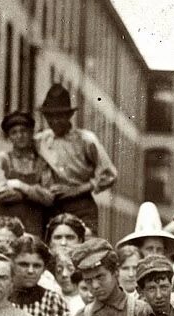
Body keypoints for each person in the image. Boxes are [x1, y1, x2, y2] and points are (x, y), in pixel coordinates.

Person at [33, 84, 118, 233]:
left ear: (68, 116)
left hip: (81, 205)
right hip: (51, 205)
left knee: (86, 245)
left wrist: (77, 190)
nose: (55, 121)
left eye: (59, 116)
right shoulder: (41, 140)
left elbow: (109, 174)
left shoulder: (86, 140)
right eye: (50, 117)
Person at [0, 109, 55, 240]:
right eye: (14, 132)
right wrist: (35, 192)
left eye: (23, 131)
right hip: (6, 228)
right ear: (9, 137)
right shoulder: (3, 159)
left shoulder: (41, 162)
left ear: (31, 133)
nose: (19, 136)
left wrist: (20, 185)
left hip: (35, 227)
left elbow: (49, 198)